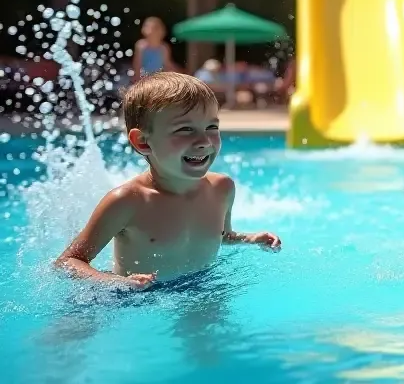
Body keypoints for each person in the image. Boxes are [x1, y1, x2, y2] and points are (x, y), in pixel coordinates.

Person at [53, 73, 280, 290]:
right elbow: (68, 261)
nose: (203, 141)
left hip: (201, 287)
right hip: (135, 297)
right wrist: (115, 283)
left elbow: (221, 236)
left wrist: (251, 238)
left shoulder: (222, 189)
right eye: (185, 129)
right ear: (142, 142)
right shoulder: (127, 202)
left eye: (212, 127)